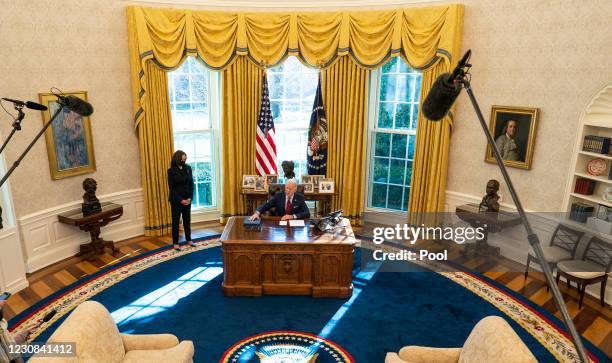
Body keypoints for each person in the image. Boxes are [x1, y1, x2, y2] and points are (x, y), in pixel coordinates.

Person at [167, 150, 201, 250]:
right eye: (182, 159)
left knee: (187, 220)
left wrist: (190, 198)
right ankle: (176, 242)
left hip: (187, 199)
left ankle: (189, 239)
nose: (184, 160)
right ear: (178, 159)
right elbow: (171, 188)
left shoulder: (189, 168)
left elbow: (191, 184)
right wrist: (181, 200)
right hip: (176, 201)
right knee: (175, 221)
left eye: (185, 159)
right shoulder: (171, 171)